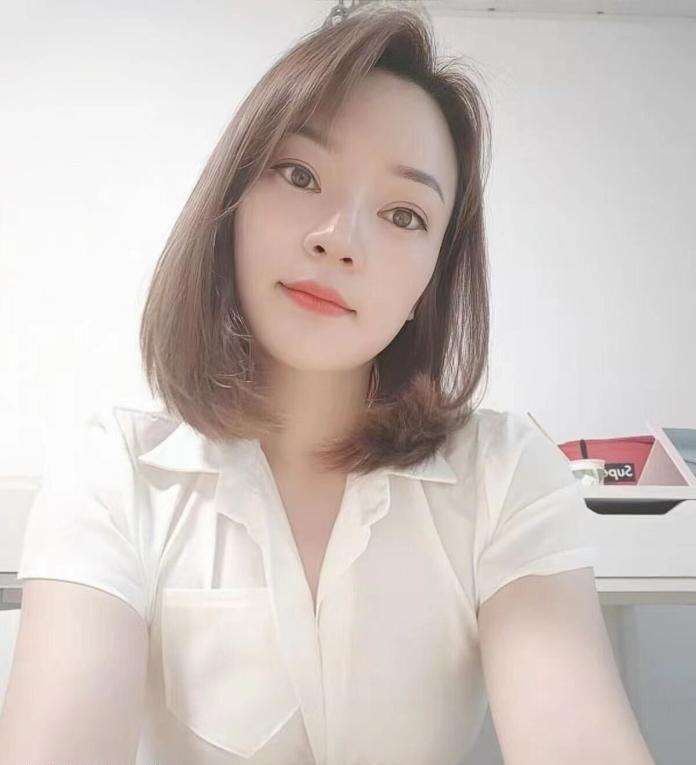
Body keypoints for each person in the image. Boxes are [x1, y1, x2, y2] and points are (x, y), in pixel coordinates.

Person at [0, 4, 656, 765]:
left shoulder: (504, 476)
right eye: (300, 174)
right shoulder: (115, 475)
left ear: (430, 284)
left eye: (403, 215)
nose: (340, 239)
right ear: (232, 204)